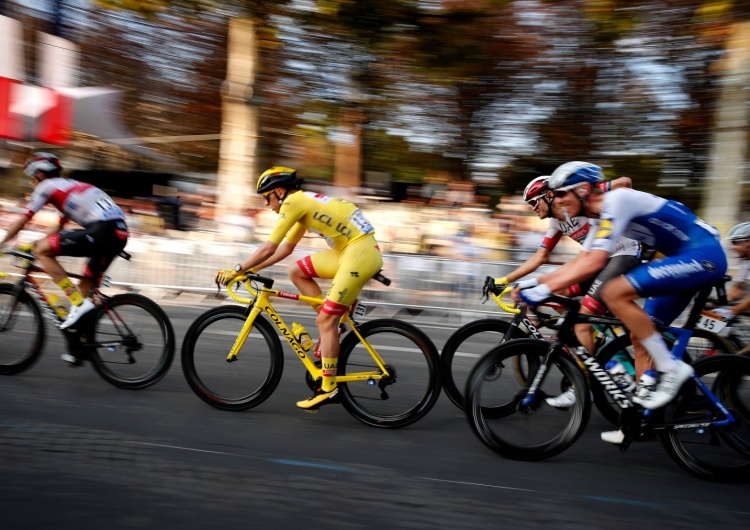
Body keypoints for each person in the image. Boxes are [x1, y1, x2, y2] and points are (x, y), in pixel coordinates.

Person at [514, 161, 727, 444]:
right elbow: (584, 261)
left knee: (615, 292)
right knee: (641, 335)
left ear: (582, 190)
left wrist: (541, 289)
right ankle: (639, 420)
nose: (558, 201)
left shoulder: (617, 200)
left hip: (704, 255)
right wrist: (533, 285)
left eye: (561, 194)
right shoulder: (599, 220)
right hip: (684, 258)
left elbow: (598, 261)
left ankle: (673, 370)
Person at [215, 166, 383, 411]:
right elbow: (284, 250)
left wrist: (238, 269)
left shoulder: (292, 202)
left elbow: (269, 247)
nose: (265, 204)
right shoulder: (303, 203)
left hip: (359, 253)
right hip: (350, 251)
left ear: (280, 192)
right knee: (296, 271)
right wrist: (253, 270)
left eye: (266, 197)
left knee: (325, 320)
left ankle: (328, 388)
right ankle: (333, 324)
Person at [498, 175, 642, 408]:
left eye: (535, 202)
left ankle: (583, 386)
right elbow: (540, 257)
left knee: (581, 322)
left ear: (549, 195)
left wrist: (593, 189)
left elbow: (625, 181)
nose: (533, 208)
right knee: (563, 293)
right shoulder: (557, 222)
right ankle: (598, 332)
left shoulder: (577, 203)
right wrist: (504, 280)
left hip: (623, 254)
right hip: (601, 262)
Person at [0, 153, 129, 359]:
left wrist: (3, 242)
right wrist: (32, 244)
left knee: (42, 251)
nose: (32, 182)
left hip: (103, 230)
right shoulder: (71, 186)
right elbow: (59, 228)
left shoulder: (46, 186)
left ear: (40, 174)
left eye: (32, 177)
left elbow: (23, 219)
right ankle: (83, 346)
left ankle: (77, 302)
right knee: (87, 284)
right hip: (119, 233)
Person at [713, 222, 750, 320]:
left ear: (748, 243)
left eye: (737, 243)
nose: (733, 247)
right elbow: (737, 289)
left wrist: (732, 311)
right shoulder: (746, 261)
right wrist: (717, 304)